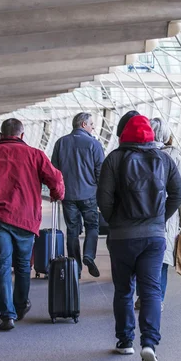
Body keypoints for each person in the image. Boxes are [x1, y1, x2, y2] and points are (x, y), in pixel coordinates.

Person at [97, 115, 181, 361]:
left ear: (123, 134)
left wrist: (115, 221)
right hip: (153, 237)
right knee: (151, 291)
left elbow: (103, 199)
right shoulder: (164, 159)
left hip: (122, 237)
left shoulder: (114, 159)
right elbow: (178, 194)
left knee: (124, 290)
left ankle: (125, 342)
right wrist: (159, 219)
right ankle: (149, 343)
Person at [0, 118, 65, 331]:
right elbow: (55, 180)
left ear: (2, 135)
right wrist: (58, 194)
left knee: (2, 266)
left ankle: (7, 315)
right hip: (26, 218)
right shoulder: (36, 154)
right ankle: (20, 305)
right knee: (22, 265)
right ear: (22, 135)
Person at [134, 117, 181, 311]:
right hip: (166, 216)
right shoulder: (173, 156)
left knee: (142, 259)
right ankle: (157, 300)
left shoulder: (136, 153)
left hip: (139, 215)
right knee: (161, 261)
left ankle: (142, 297)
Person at [51, 112, 104, 278]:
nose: (93, 127)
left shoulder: (61, 143)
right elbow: (100, 171)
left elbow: (54, 170)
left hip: (68, 196)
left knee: (72, 231)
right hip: (89, 194)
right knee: (92, 226)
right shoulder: (94, 144)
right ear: (83, 125)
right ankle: (89, 254)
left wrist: (56, 191)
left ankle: (75, 268)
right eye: (91, 124)